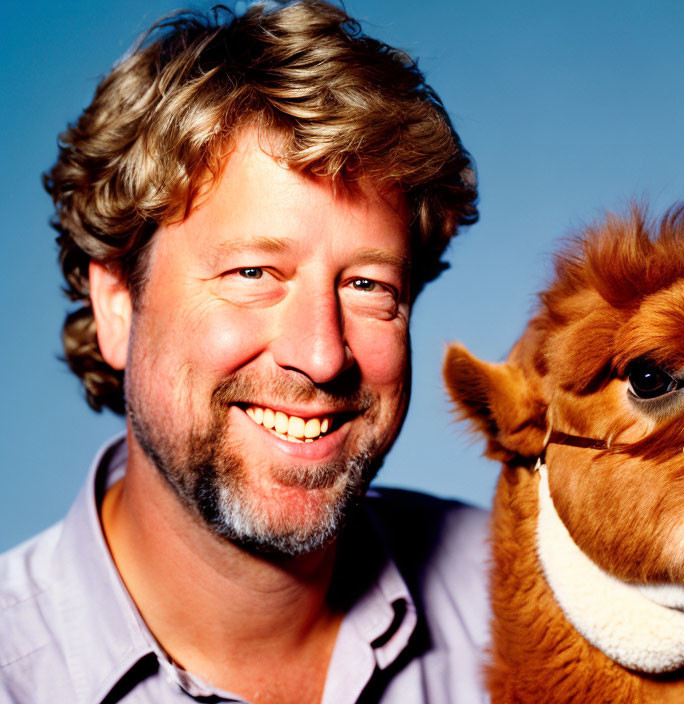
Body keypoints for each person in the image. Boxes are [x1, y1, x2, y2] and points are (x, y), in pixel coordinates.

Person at [0, 2, 488, 702]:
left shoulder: (528, 602)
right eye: (253, 274)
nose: (321, 356)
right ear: (116, 304)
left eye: (367, 284)